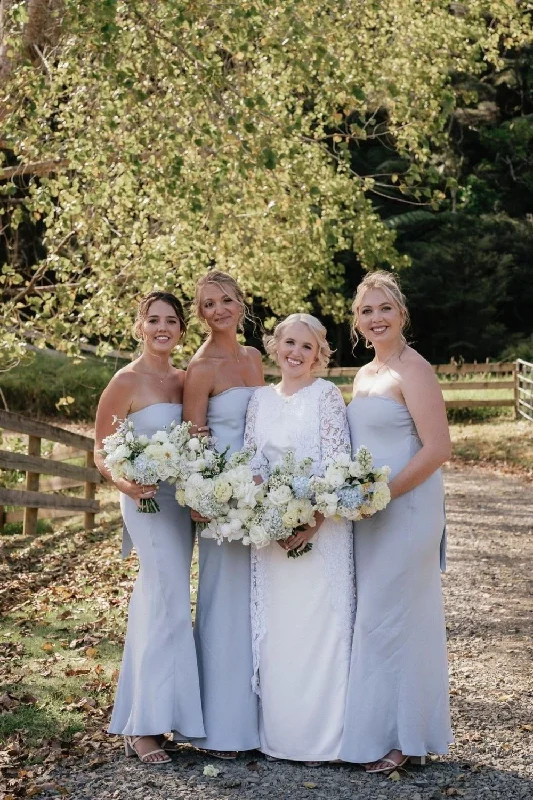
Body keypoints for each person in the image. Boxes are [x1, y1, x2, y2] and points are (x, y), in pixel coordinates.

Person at [339, 271, 453, 773]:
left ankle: (403, 738)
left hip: (406, 510)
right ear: (357, 322)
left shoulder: (415, 369)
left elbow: (438, 448)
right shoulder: (364, 374)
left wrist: (384, 493)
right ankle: (382, 730)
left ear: (402, 313)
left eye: (384, 308)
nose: (376, 318)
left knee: (395, 618)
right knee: (377, 617)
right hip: (371, 513)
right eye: (366, 311)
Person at [94, 291, 205, 765]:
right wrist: (124, 479)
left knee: (161, 599)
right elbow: (100, 449)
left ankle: (161, 714)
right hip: (143, 502)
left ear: (181, 329)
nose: (163, 327)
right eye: (153, 319)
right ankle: (143, 726)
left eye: (172, 320)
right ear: (139, 326)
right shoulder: (125, 382)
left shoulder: (185, 380)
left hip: (179, 504)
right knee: (168, 599)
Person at [244, 314, 355, 764]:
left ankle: (328, 741)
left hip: (322, 531)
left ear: (319, 356)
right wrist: (266, 513)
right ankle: (282, 737)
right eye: (289, 342)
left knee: (321, 627)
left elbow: (338, 465)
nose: (296, 352)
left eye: (306, 347)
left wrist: (309, 522)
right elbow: (252, 460)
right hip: (270, 536)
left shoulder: (327, 396)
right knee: (279, 630)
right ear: (275, 346)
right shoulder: (258, 399)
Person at [182, 270, 264, 758]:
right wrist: (207, 498)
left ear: (241, 302)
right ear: (200, 313)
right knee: (223, 603)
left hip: (261, 501)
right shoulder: (202, 367)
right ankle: (219, 726)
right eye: (208, 304)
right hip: (220, 502)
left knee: (257, 604)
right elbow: (195, 439)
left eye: (226, 300)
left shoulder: (254, 358)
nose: (218, 310)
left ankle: (260, 722)